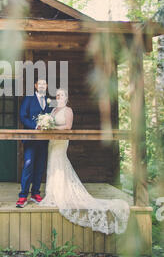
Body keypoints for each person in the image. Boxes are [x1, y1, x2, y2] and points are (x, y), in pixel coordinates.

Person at [39, 88, 130, 235]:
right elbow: (49, 122)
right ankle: (53, 192)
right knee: (52, 165)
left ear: (66, 98)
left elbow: (68, 127)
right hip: (52, 140)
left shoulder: (68, 111)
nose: (59, 96)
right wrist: (46, 125)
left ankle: (61, 194)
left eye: (61, 95)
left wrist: (52, 127)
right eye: (57, 95)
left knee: (60, 163)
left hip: (61, 141)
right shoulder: (54, 110)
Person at [16, 79, 53, 208]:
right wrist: (35, 126)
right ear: (36, 85)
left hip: (43, 140)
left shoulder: (49, 101)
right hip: (31, 138)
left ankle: (35, 193)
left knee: (40, 166)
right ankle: (23, 196)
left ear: (47, 86)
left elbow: (52, 116)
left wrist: (49, 124)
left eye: (45, 84)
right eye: (40, 84)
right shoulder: (29, 99)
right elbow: (22, 115)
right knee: (28, 165)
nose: (42, 85)